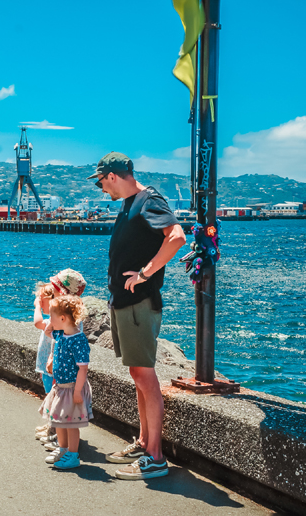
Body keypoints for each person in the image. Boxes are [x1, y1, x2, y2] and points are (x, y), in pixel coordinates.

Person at [88, 152, 186, 480]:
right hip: (124, 303)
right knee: (136, 373)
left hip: (138, 303)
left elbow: (176, 237)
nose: (102, 188)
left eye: (101, 181)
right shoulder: (131, 205)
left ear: (113, 176)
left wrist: (145, 273)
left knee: (145, 375)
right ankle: (145, 441)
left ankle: (155, 458)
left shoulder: (148, 201)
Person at [33, 269, 87, 445]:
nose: (52, 292)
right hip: (61, 367)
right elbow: (55, 338)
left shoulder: (68, 320)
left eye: (55, 290)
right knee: (56, 400)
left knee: (63, 405)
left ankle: (60, 438)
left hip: (67, 373)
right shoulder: (63, 314)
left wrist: (51, 357)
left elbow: (60, 341)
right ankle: (56, 432)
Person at [39, 295, 93, 470]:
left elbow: (83, 368)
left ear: (62, 318)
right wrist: (50, 326)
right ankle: (62, 449)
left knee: (71, 424)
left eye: (52, 316)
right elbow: (48, 332)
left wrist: (78, 391)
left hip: (71, 388)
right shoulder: (61, 333)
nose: (49, 320)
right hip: (60, 386)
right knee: (59, 421)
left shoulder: (78, 340)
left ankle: (73, 454)